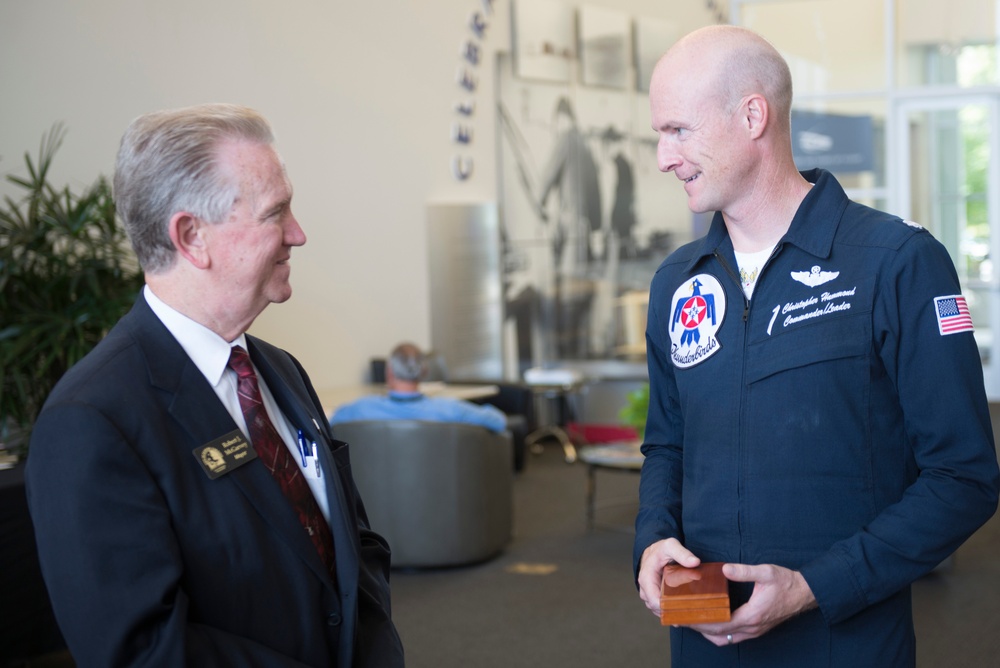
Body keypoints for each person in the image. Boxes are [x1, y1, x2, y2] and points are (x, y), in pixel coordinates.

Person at [634, 25, 999, 667]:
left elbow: (962, 478)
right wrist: (653, 540)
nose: (664, 158)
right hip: (704, 643)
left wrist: (811, 589)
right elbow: (668, 444)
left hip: (844, 643)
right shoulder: (677, 282)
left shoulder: (897, 263)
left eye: (678, 131)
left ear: (753, 116)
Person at [25, 104, 404, 667]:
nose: (298, 234)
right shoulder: (91, 421)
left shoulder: (280, 371)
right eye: (276, 212)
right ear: (191, 236)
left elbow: (351, 542)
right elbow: (142, 651)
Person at [330, 342, 508, 433]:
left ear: (389, 372)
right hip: (438, 488)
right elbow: (498, 421)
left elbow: (330, 424)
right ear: (424, 371)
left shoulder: (360, 409)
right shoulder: (450, 410)